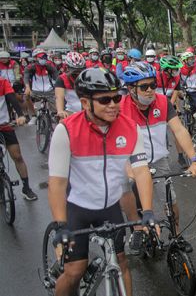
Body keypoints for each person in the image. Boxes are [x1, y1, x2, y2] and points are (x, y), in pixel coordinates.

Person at [48, 67, 155, 296]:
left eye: (117, 97)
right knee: (75, 271)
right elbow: (57, 183)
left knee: (122, 263)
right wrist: (60, 225)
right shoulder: (65, 130)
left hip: (109, 207)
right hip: (78, 208)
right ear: (85, 103)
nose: (113, 104)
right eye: (105, 99)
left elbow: (142, 171)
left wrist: (146, 211)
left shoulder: (130, 128)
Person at [119, 62, 196, 253]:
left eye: (152, 85)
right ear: (131, 89)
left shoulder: (163, 102)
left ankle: (176, 234)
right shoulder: (120, 108)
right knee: (127, 193)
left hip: (159, 159)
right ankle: (137, 228)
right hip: (129, 161)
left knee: (170, 200)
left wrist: (194, 160)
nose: (150, 90)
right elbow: (114, 142)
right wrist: (126, 168)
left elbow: (180, 130)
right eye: (144, 86)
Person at [0, 75, 38, 200]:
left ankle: (26, 188)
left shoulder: (2, 82)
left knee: (17, 156)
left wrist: (21, 115)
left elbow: (12, 99)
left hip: (4, 125)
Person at [23, 48, 59, 125]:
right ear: (35, 58)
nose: (43, 59)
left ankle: (53, 115)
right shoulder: (30, 68)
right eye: (41, 57)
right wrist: (27, 87)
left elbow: (57, 76)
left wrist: (58, 88)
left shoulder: (49, 66)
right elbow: (26, 77)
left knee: (56, 110)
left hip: (49, 91)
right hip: (35, 92)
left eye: (44, 57)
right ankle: (33, 116)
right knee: (26, 96)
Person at [177, 52, 196, 129]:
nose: (192, 60)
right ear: (184, 61)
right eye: (190, 59)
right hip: (186, 91)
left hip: (195, 91)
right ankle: (188, 121)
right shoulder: (180, 68)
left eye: (192, 58)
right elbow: (177, 79)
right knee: (187, 109)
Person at [55, 52, 86, 119]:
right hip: (70, 111)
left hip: (87, 112)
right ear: (67, 68)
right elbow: (59, 97)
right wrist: (60, 111)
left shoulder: (88, 77)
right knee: (61, 123)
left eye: (80, 71)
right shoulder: (61, 79)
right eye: (75, 72)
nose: (78, 74)